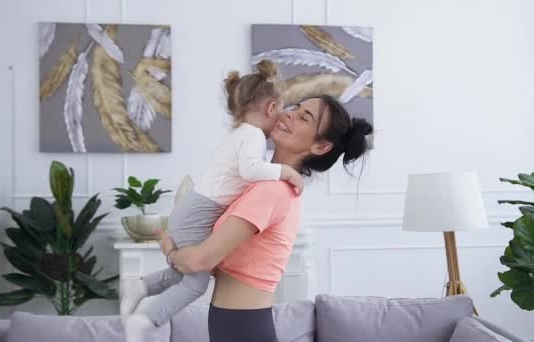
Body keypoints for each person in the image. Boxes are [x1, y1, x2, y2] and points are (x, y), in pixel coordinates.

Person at [157, 95, 372, 341]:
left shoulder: (272, 191)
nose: (290, 114)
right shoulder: (267, 185)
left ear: (320, 147)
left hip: (243, 326)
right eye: (295, 107)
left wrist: (171, 251)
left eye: (304, 117)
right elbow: (219, 264)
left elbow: (200, 261)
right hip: (236, 323)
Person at [120, 60, 305, 340]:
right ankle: (146, 319)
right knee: (195, 285)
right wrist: (286, 171)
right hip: (199, 211)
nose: (284, 117)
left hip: (194, 209)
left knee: (188, 275)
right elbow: (250, 170)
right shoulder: (254, 137)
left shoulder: (242, 134)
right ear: (270, 108)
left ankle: (142, 287)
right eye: (283, 110)